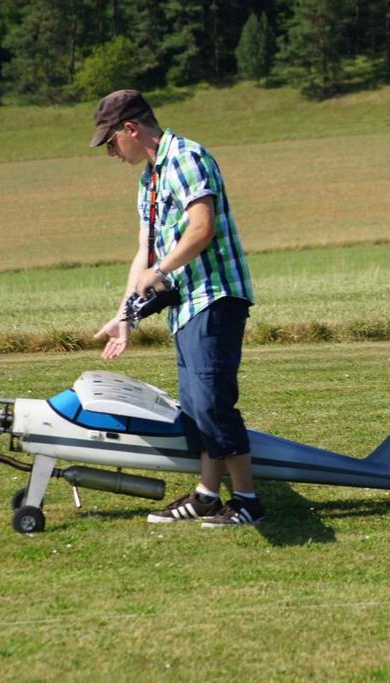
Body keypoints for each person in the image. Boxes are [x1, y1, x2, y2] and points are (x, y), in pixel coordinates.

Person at [90, 89, 263, 527]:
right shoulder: (149, 181)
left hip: (215, 297)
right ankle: (207, 496)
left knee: (211, 403)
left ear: (131, 128)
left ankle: (247, 501)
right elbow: (144, 253)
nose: (110, 152)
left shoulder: (187, 158)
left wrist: (161, 269)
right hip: (186, 306)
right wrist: (125, 317)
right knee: (195, 407)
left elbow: (201, 229)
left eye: (110, 141)